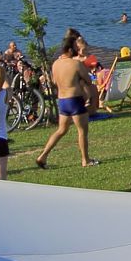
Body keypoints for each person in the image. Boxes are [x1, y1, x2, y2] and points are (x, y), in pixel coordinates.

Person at [35, 32, 97, 168]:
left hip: (62, 102)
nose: (76, 51)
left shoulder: (55, 64)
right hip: (75, 100)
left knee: (61, 130)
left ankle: (43, 156)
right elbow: (88, 80)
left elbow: (54, 81)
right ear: (70, 50)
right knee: (82, 131)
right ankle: (85, 160)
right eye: (75, 48)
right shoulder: (75, 64)